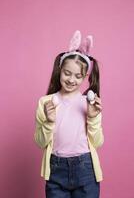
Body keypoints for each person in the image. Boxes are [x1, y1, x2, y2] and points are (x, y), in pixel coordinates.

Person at [34, 30, 104, 198]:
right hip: (56, 169)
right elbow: (39, 142)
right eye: (67, 73)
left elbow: (98, 142)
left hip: (86, 169)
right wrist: (49, 122)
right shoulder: (46, 102)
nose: (71, 80)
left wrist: (93, 118)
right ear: (60, 69)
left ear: (85, 77)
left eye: (78, 76)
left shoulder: (89, 103)